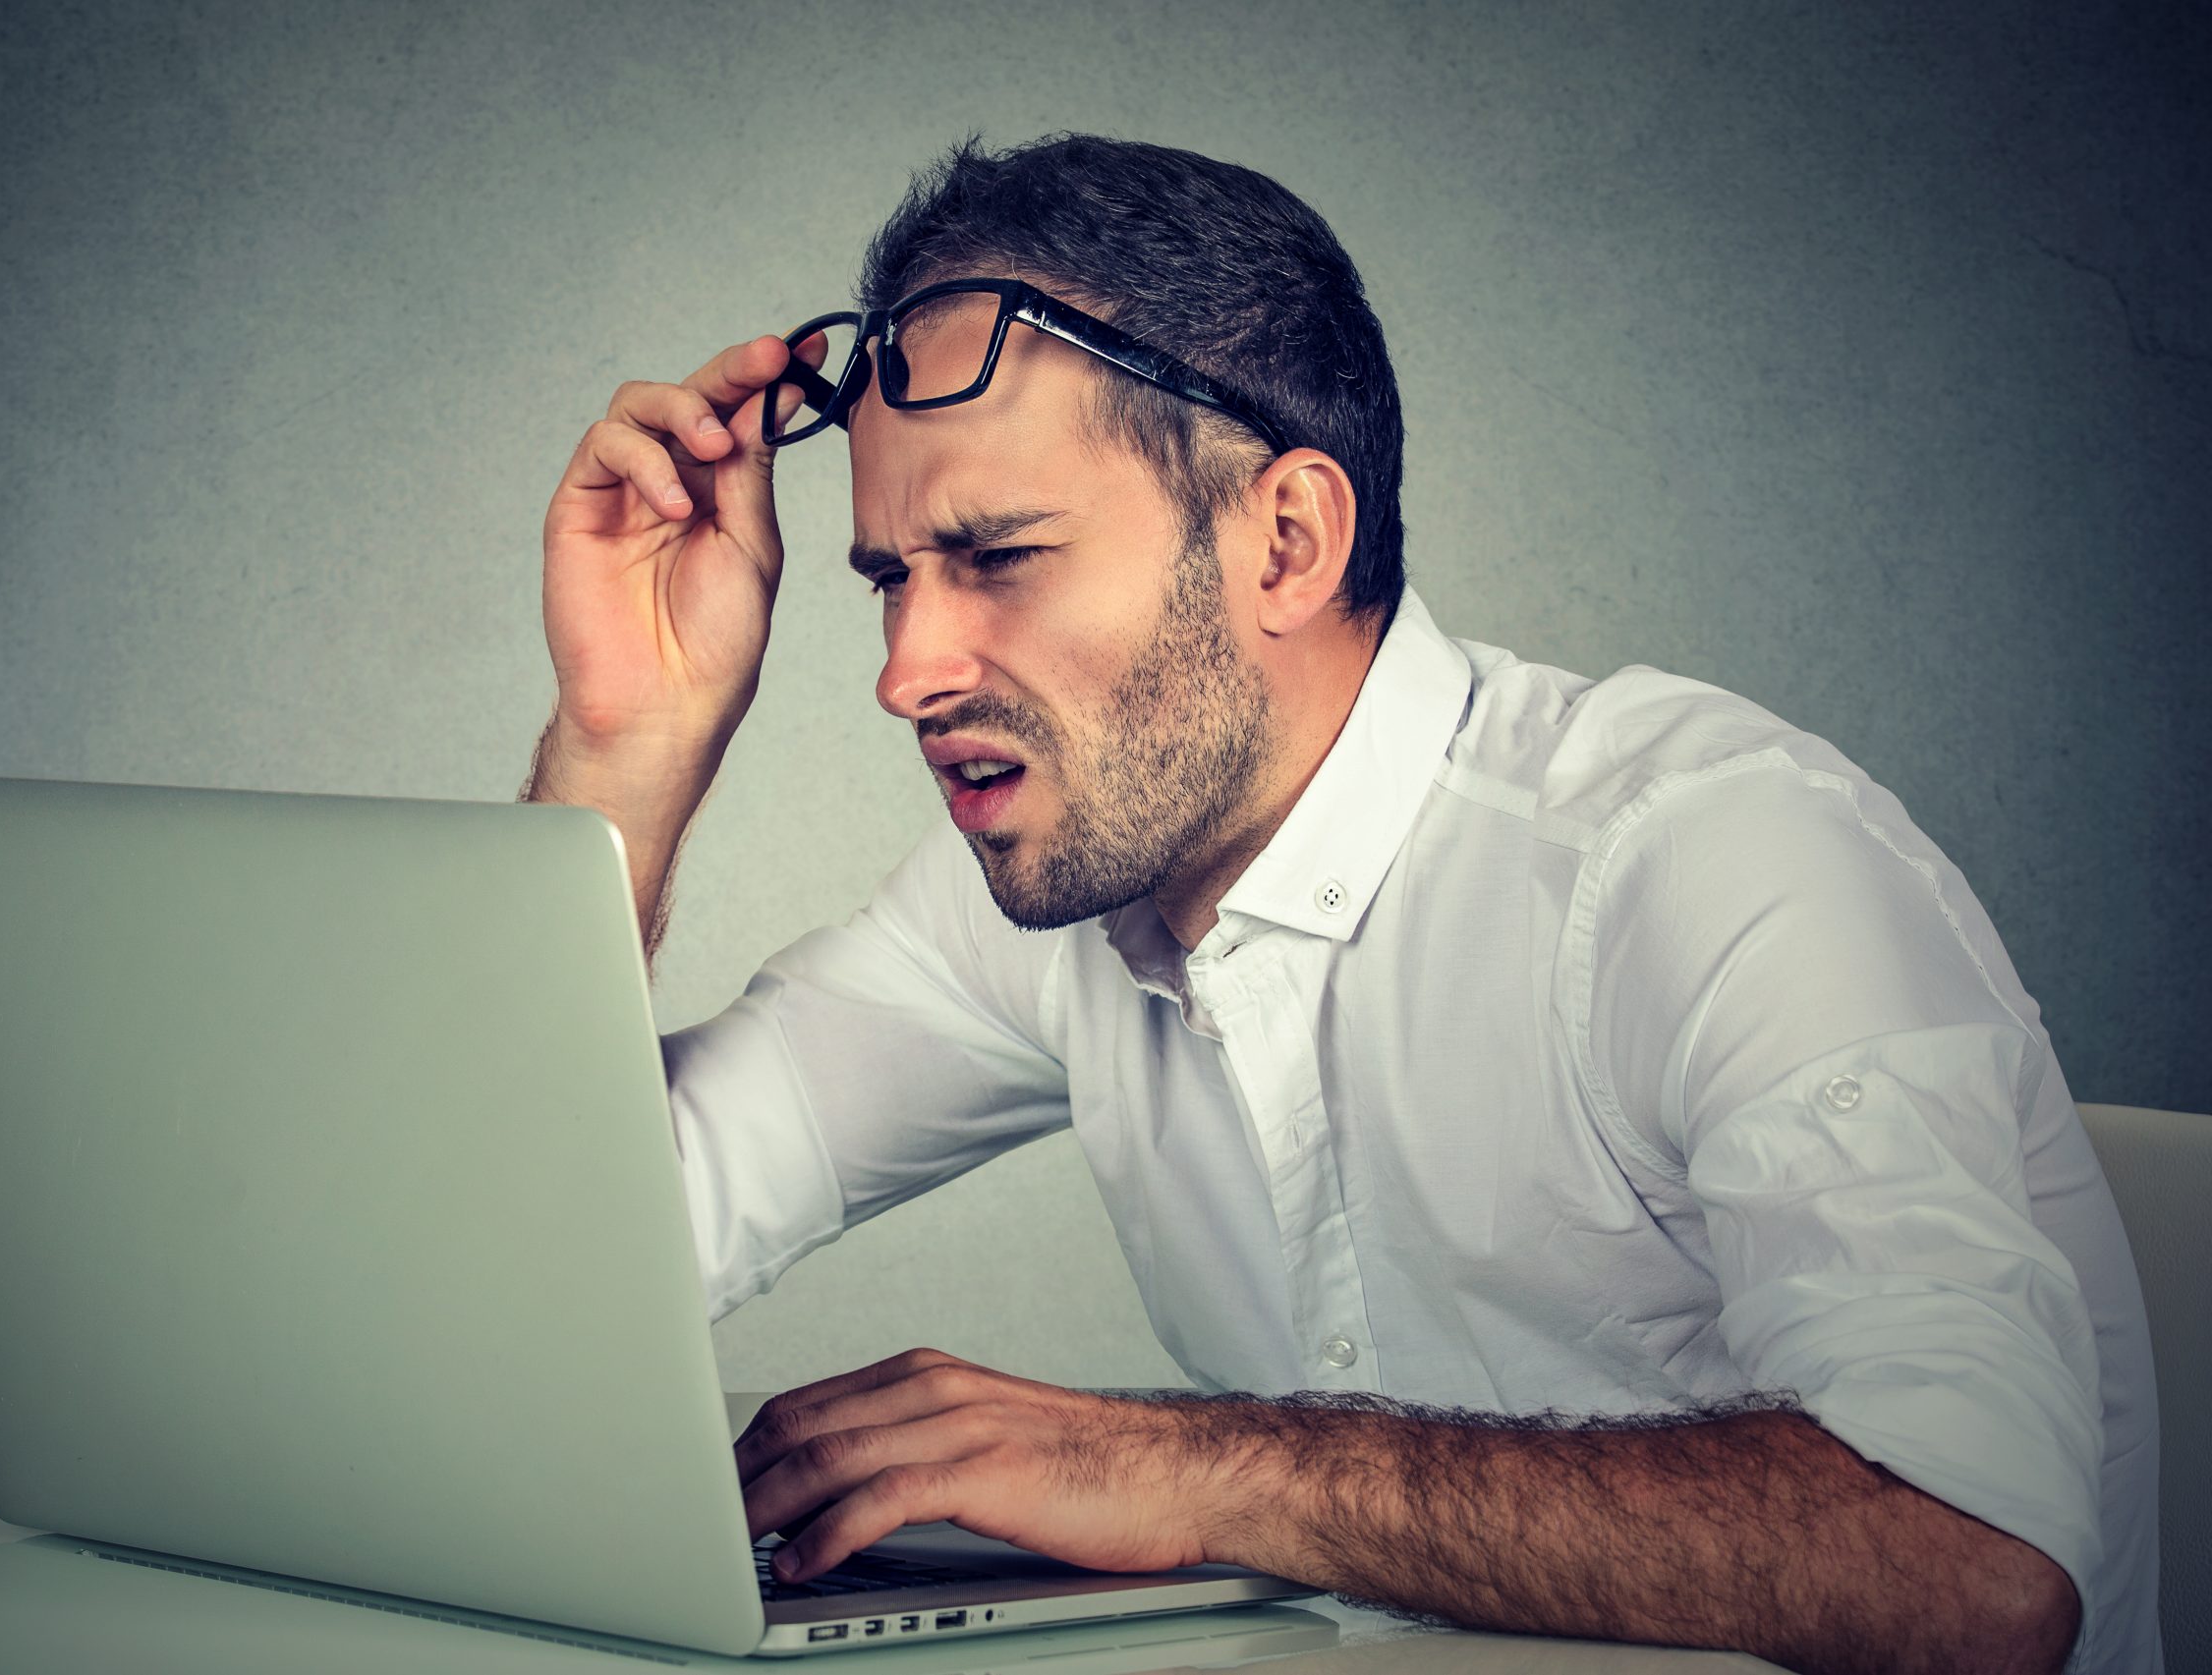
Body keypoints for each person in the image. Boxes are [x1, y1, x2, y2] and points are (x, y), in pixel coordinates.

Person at [519, 133, 2158, 1675]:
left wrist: (1201, 1467)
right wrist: (624, 748)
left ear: (1288, 539)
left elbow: (1975, 1561)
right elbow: (552, 1253)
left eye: (998, 556)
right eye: (890, 579)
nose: (904, 673)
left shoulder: (1706, 855)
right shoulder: (1056, 892)